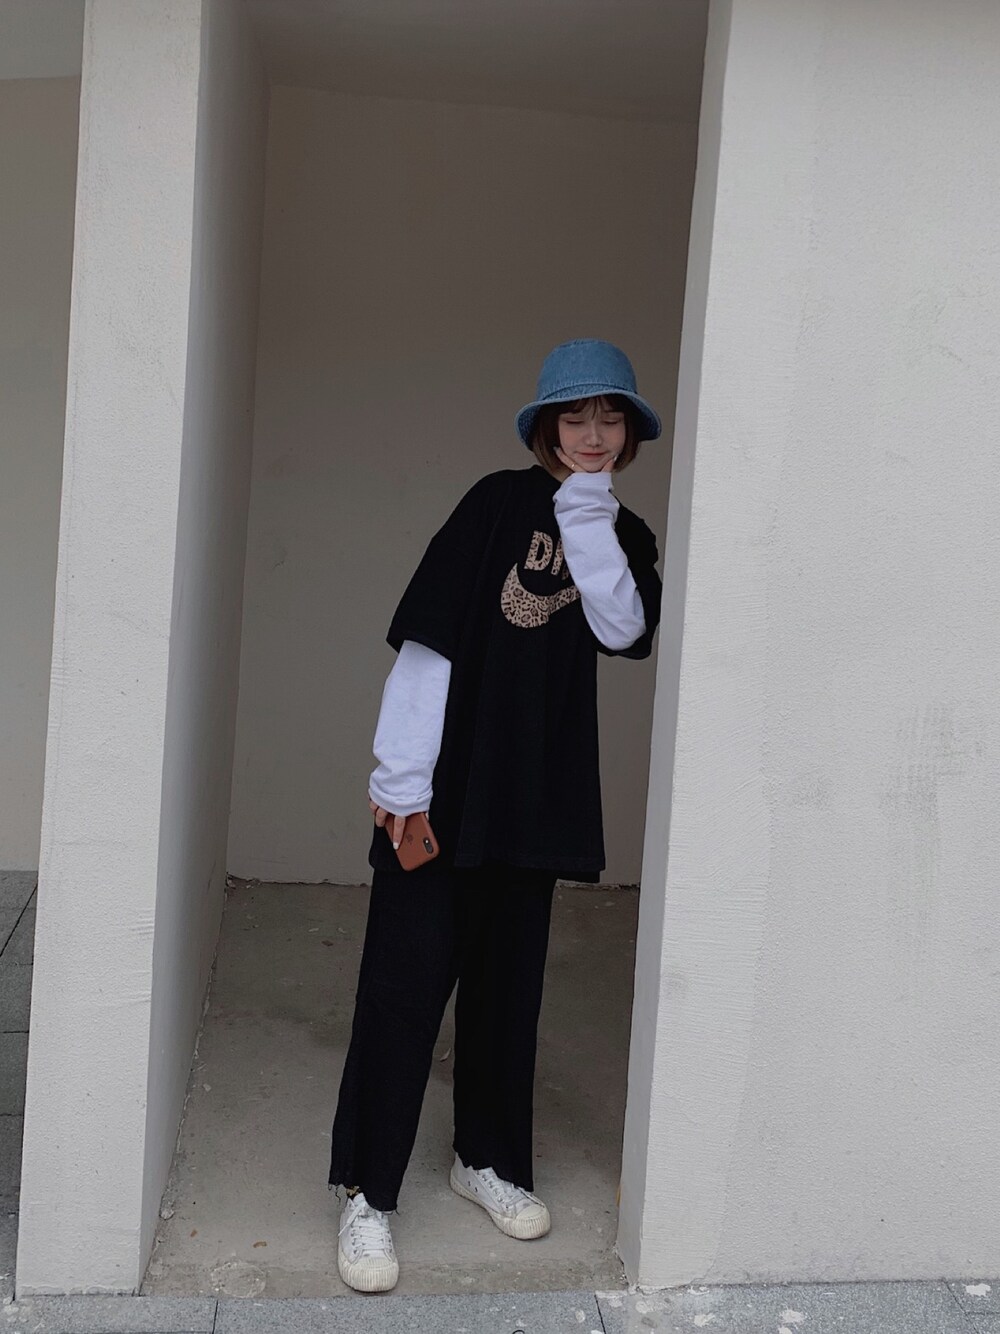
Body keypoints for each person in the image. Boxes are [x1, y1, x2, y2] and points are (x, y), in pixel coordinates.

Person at [328, 338, 663, 1293]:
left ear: (629, 432)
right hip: (445, 788)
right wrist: (401, 781)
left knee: (509, 994)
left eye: (610, 419)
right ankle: (367, 1194)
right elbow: (428, 643)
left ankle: (486, 1159)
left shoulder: (625, 533)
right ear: (547, 426)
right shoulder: (492, 504)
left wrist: (588, 516)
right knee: (402, 992)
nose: (593, 434)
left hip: (535, 795)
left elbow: (622, 628)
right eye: (576, 417)